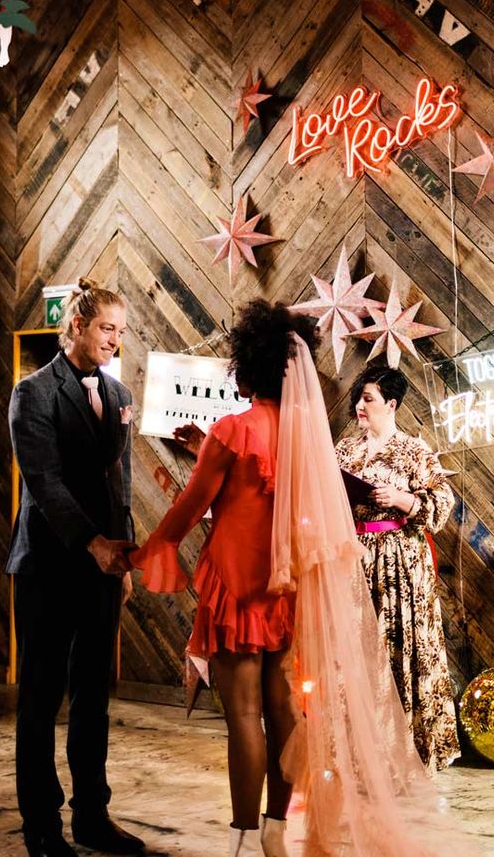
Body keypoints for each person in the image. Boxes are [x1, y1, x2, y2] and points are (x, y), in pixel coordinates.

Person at [130, 301, 318, 857]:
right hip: (286, 584)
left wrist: (149, 548)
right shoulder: (306, 436)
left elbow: (192, 509)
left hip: (235, 586)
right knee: (285, 713)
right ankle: (277, 831)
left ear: (247, 366)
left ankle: (239, 839)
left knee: (243, 718)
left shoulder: (233, 429)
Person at [6, 280, 143, 857]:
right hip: (48, 564)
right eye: (108, 328)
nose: (116, 340)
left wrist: (125, 556)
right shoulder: (32, 393)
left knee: (93, 695)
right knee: (40, 698)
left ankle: (92, 816)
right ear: (79, 326)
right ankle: (41, 826)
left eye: (122, 331)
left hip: (104, 568)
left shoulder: (117, 396)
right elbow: (45, 483)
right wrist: (93, 544)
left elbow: (121, 485)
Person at [335, 366, 460, 771]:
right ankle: (356, 746)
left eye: (368, 398)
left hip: (399, 560)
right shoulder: (346, 450)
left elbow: (443, 503)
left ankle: (401, 751)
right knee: (355, 649)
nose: (359, 406)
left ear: (391, 404)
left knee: (397, 647)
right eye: (358, 398)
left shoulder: (413, 451)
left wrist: (402, 499)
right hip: (353, 555)